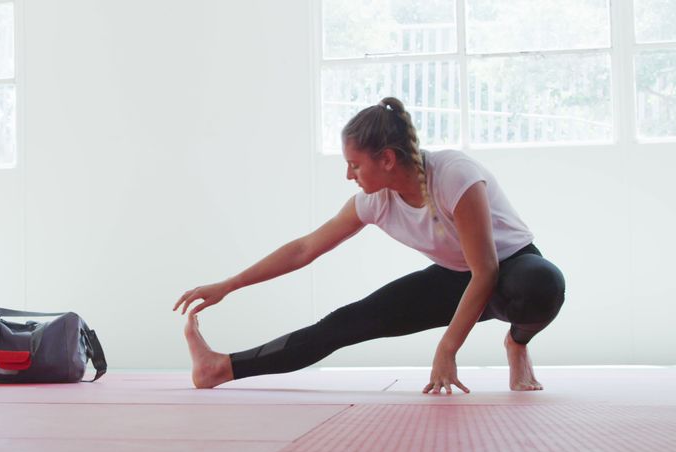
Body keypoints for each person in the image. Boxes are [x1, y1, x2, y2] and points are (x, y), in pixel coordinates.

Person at [173, 97, 565, 394]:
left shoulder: (454, 176)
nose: (349, 175)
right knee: (344, 323)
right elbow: (304, 249)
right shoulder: (374, 202)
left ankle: (517, 343)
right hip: (458, 277)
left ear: (388, 159)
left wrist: (447, 348)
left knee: (541, 283)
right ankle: (220, 368)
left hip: (510, 270)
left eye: (355, 165)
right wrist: (229, 284)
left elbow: (487, 271)